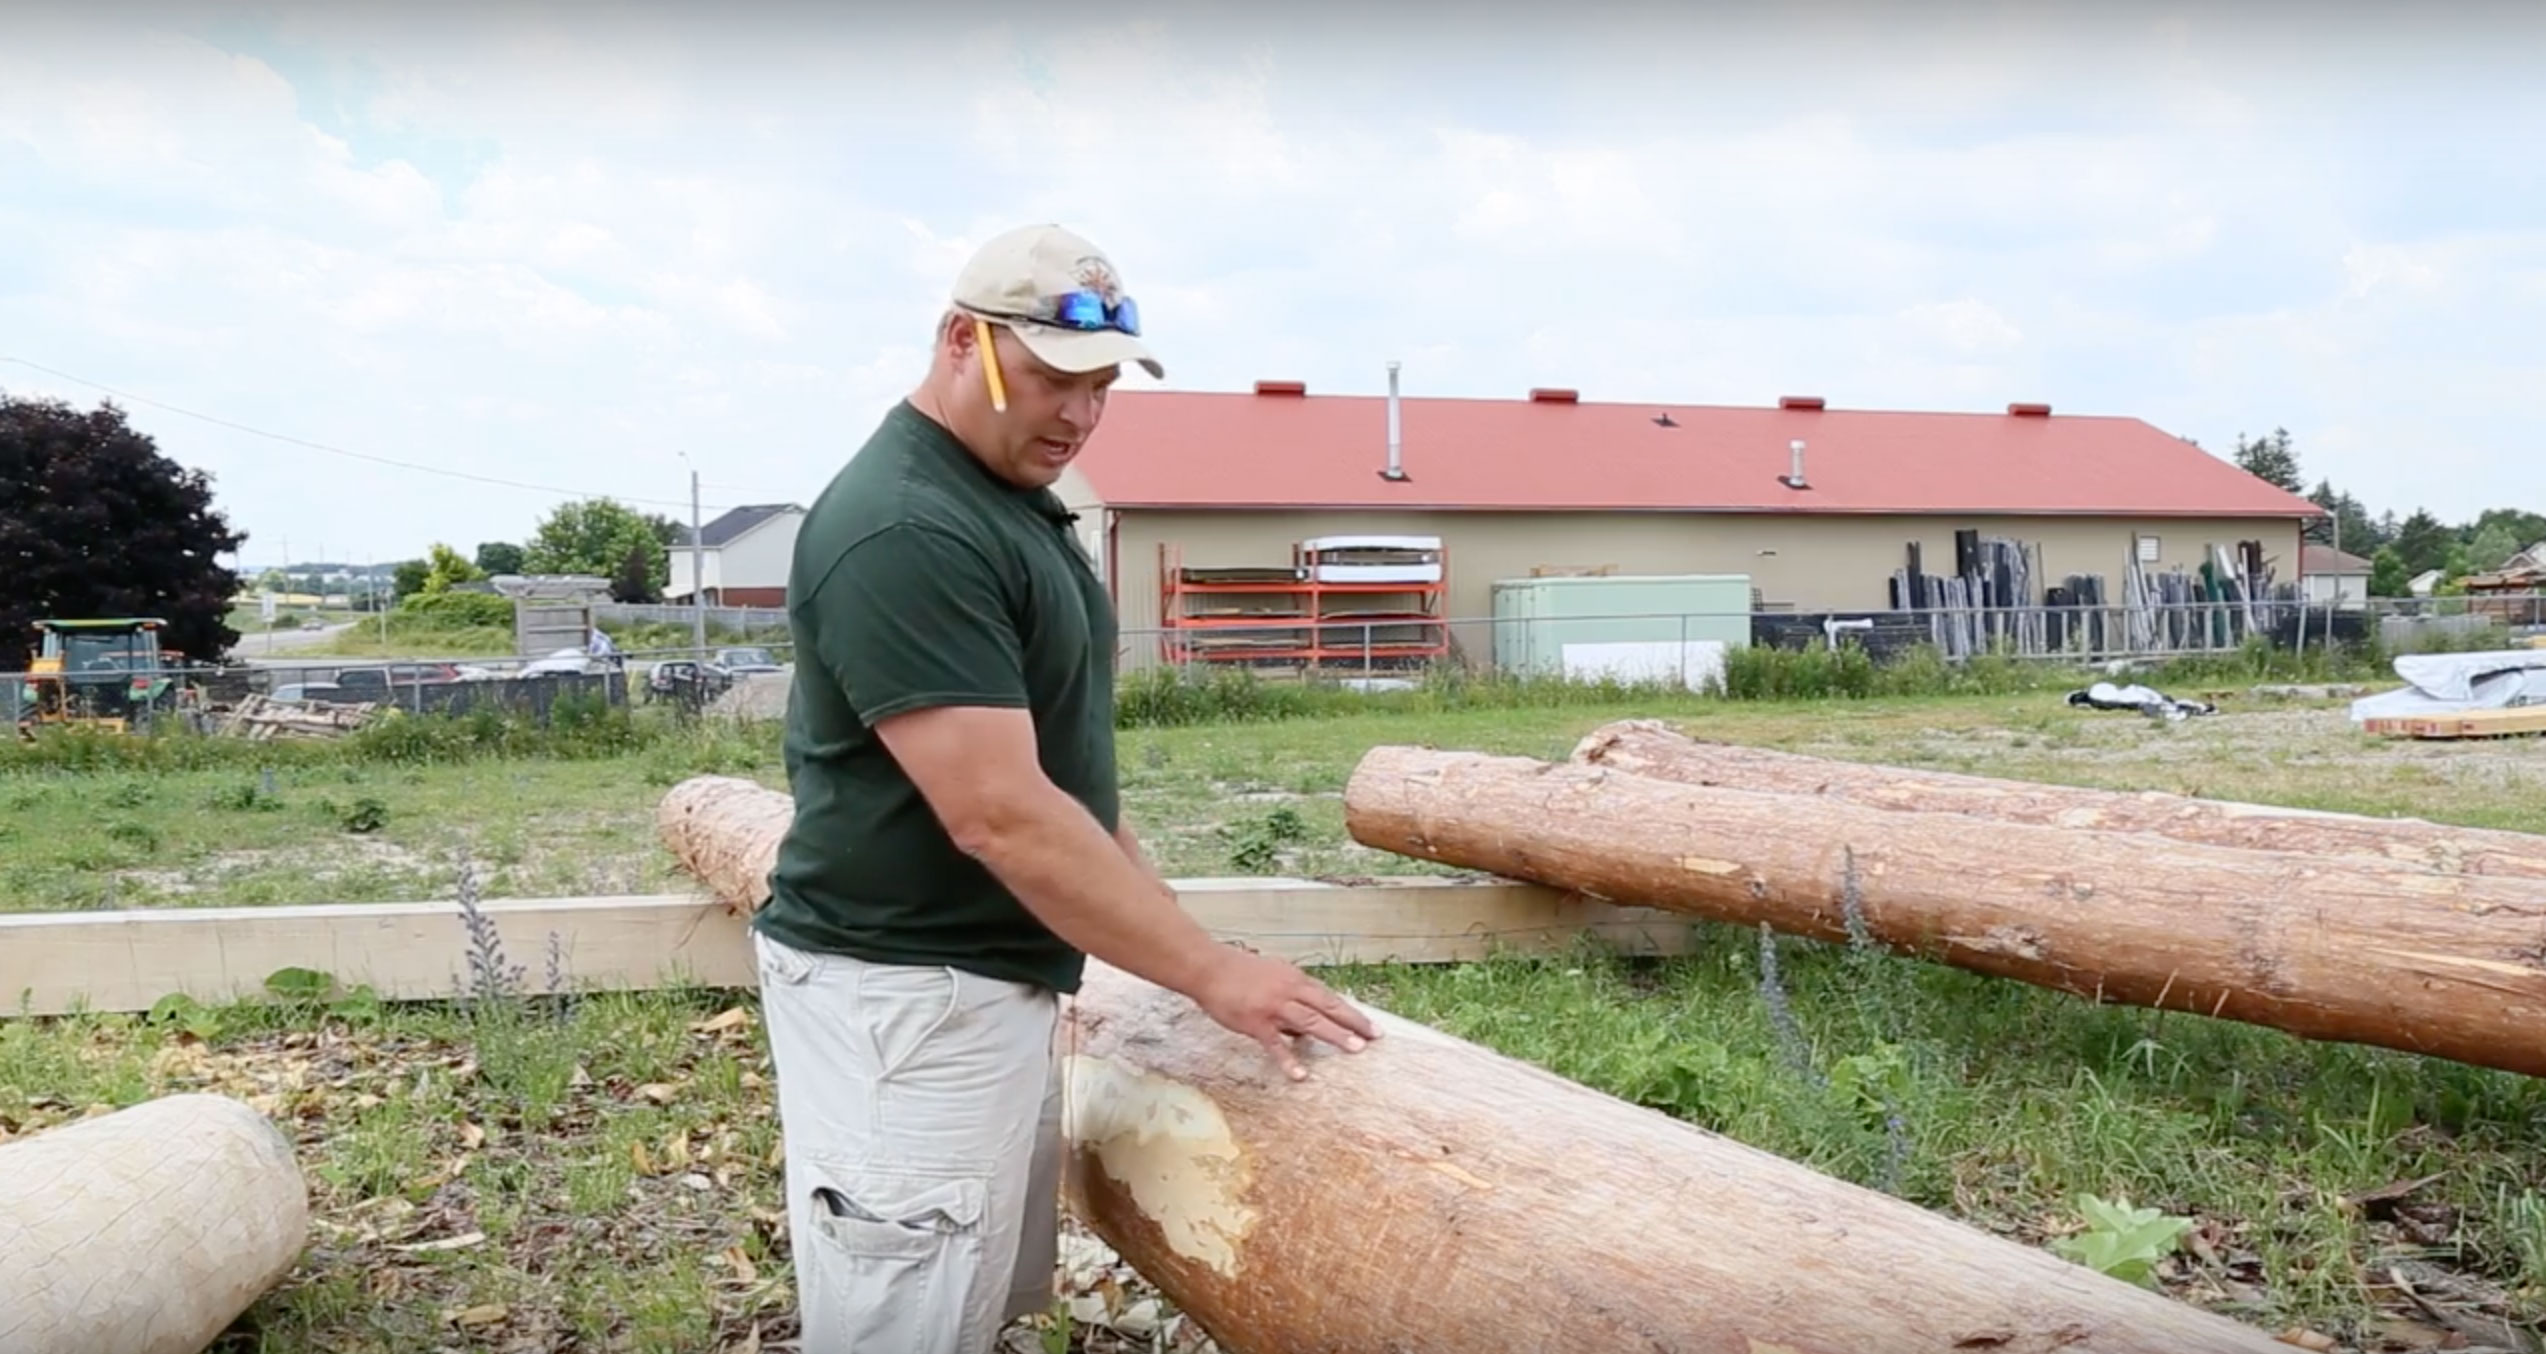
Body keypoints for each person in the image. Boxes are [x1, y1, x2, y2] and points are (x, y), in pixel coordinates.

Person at [751, 223, 1380, 1353]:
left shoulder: (999, 501)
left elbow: (1060, 778)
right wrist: (1206, 971)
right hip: (905, 999)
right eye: (1051, 377)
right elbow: (997, 811)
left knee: (956, 1298)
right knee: (901, 1317)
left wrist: (1170, 943)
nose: (1079, 414)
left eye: (1100, 387)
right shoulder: (907, 525)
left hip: (967, 982)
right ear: (960, 342)